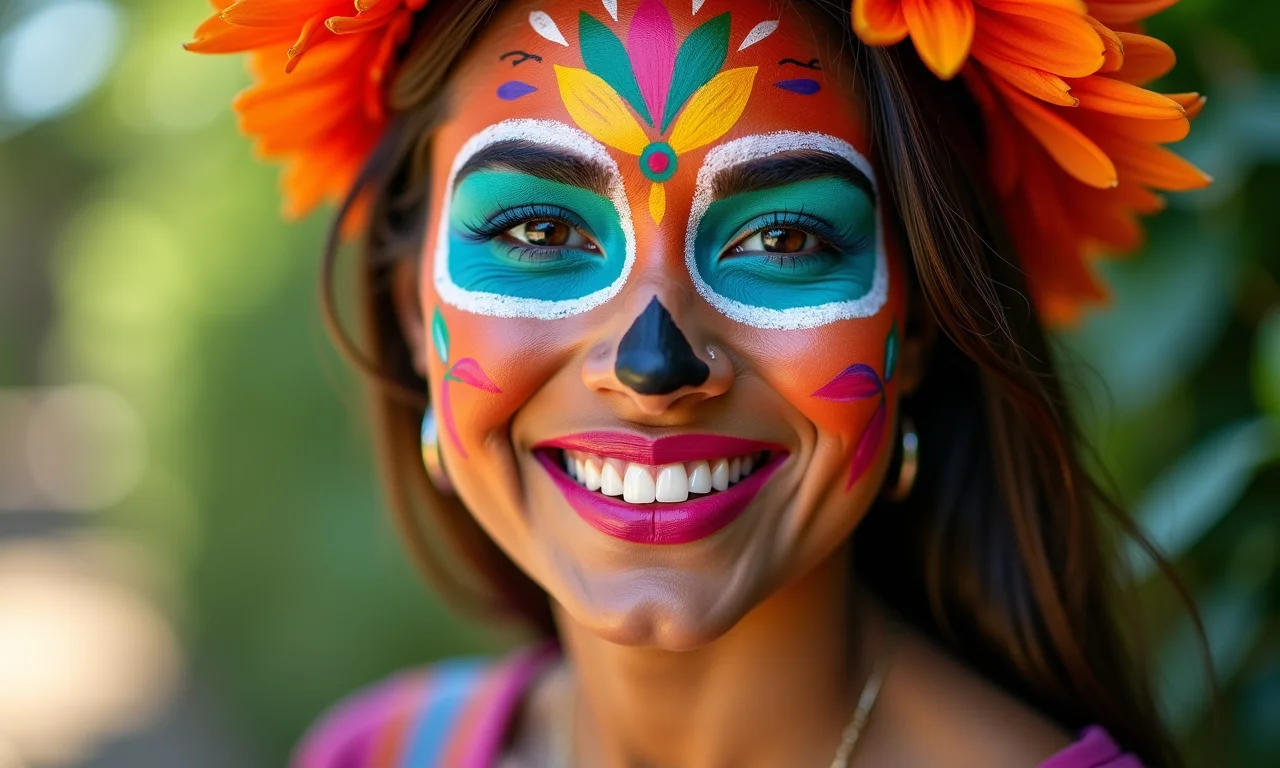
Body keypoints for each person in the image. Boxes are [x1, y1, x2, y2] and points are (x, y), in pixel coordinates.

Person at [188, 0, 1211, 765]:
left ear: (924, 324)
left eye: (783, 236)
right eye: (537, 231)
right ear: (415, 313)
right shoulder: (377, 754)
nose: (653, 361)